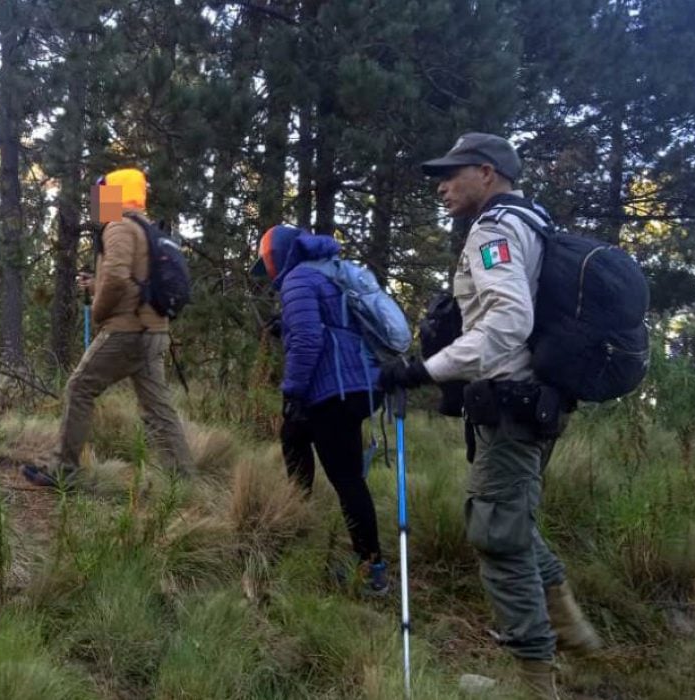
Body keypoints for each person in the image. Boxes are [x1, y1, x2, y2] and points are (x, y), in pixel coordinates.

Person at [379, 133, 601, 699]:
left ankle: (533, 682)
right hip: (533, 403)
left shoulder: (496, 228)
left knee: (496, 535)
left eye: (452, 175)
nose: (443, 186)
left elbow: (505, 324)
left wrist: (423, 371)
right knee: (513, 523)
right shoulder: (532, 221)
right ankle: (569, 630)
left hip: (511, 402)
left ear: (487, 172)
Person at [22, 168, 192, 488]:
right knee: (158, 410)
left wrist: (99, 311)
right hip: (155, 332)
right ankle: (183, 482)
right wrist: (94, 286)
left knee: (79, 387)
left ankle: (64, 469)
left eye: (103, 195)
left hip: (127, 331)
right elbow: (129, 280)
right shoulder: (146, 228)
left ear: (115, 194)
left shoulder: (119, 226)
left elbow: (115, 279)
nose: (98, 202)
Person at [252, 225, 387, 594]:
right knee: (294, 439)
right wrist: (286, 327)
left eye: (267, 264)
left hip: (333, 391)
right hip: (354, 386)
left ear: (278, 256)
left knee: (345, 477)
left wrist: (292, 392)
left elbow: (310, 340)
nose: (269, 274)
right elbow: (330, 328)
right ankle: (295, 523)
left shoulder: (298, 279)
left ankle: (371, 567)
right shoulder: (327, 272)